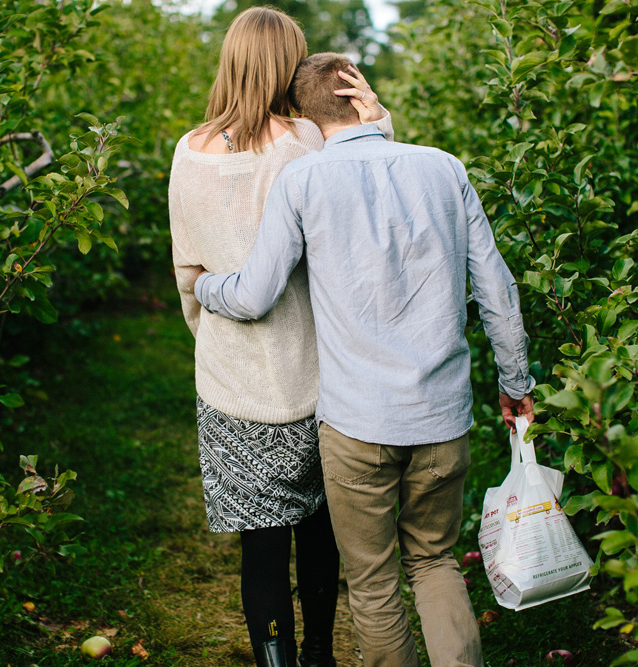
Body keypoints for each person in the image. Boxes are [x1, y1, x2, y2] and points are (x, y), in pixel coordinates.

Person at [190, 53, 537, 667]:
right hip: (441, 417)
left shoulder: (304, 181)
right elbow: (497, 291)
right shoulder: (443, 168)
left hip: (356, 426)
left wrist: (204, 285)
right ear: (363, 97)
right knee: (435, 564)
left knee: (374, 586)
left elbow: (254, 294)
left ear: (301, 115)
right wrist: (515, 381)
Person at [168, 10, 394, 667]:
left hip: (232, 379)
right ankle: (321, 653)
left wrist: (211, 337)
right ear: (287, 66)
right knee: (320, 529)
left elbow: (189, 272)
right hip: (319, 372)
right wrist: (377, 115)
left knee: (260, 545)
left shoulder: (188, 151)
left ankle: (277, 662)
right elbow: (374, 178)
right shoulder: (306, 140)